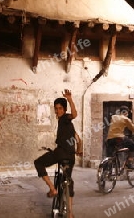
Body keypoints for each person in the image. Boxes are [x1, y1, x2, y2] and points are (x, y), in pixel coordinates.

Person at [34, 89, 81, 218]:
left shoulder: (65, 118)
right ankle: (70, 213)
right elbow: (78, 139)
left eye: (60, 108)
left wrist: (70, 99)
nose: (57, 111)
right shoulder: (69, 126)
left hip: (60, 153)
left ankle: (52, 189)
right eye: (56, 109)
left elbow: (75, 114)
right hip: (70, 156)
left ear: (64, 110)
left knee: (38, 163)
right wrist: (79, 150)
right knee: (69, 181)